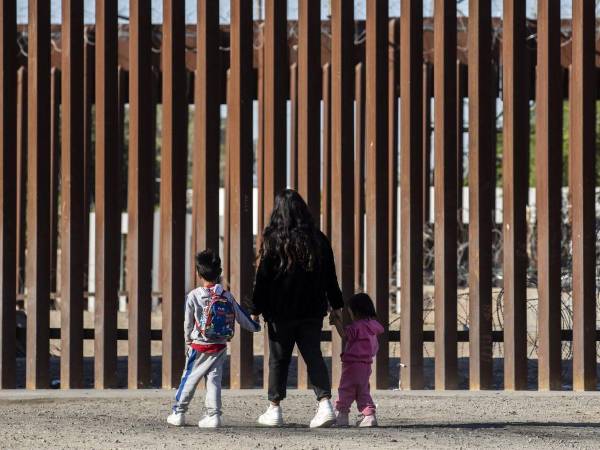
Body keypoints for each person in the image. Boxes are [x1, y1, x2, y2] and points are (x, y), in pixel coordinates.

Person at [249, 189, 344, 428]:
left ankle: (275, 409)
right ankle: (325, 404)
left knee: (279, 360)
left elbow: (263, 279)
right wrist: (338, 306)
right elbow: (330, 278)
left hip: (280, 313)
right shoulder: (318, 239)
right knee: (313, 355)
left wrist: (256, 308)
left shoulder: (273, 240)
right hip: (312, 311)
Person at [167, 249, 260, 428]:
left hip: (199, 346)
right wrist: (255, 325)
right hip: (219, 345)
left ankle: (179, 412)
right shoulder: (226, 295)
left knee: (190, 378)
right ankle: (214, 415)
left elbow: (188, 322)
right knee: (214, 380)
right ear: (219, 272)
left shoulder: (194, 295)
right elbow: (241, 317)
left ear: (199, 272)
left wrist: (188, 340)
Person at [332, 293, 383, 427]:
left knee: (346, 388)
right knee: (363, 390)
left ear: (356, 311)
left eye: (350, 313)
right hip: (366, 365)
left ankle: (342, 415)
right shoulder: (373, 325)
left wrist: (337, 321)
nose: (350, 316)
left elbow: (344, 335)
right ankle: (369, 416)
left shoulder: (357, 326)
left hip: (352, 365)